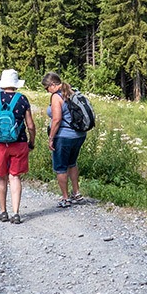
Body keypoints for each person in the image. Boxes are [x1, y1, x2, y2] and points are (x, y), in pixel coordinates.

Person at [0, 68, 35, 224]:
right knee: (15, 176)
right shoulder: (23, 99)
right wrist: (32, 142)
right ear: (16, 84)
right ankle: (16, 212)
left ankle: (3, 211)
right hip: (19, 142)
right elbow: (30, 125)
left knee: (0, 177)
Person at [42, 71, 86, 207]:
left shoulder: (56, 96)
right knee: (72, 163)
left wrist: (51, 138)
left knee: (60, 167)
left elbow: (56, 119)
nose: (47, 91)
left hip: (64, 136)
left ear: (53, 85)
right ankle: (76, 193)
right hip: (79, 135)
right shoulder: (72, 91)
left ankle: (65, 198)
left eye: (47, 88)